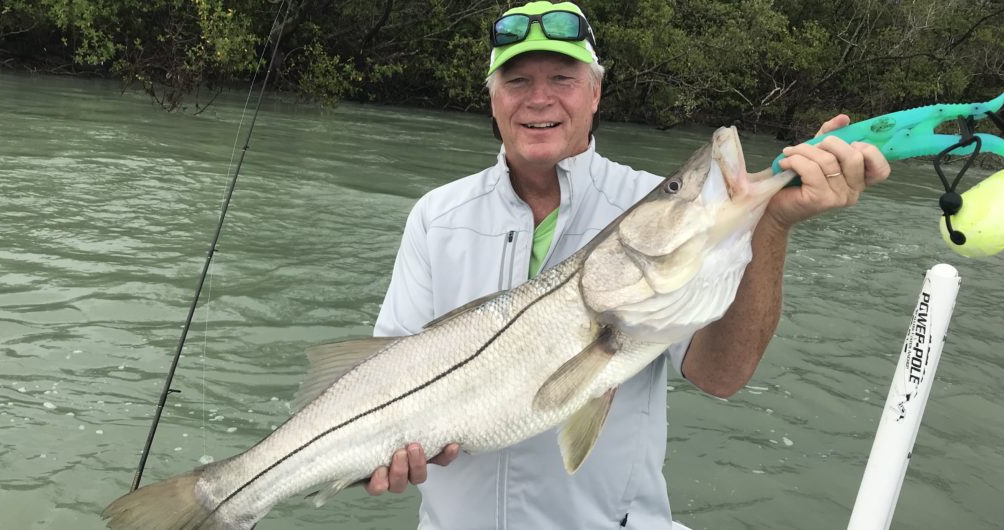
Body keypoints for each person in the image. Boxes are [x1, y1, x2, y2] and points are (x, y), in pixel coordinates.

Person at [367, 1, 891, 528]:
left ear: (595, 92)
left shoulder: (645, 203)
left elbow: (721, 376)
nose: (539, 98)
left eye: (563, 78)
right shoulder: (436, 215)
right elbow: (387, 369)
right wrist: (390, 449)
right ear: (493, 99)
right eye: (517, 80)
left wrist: (771, 226)